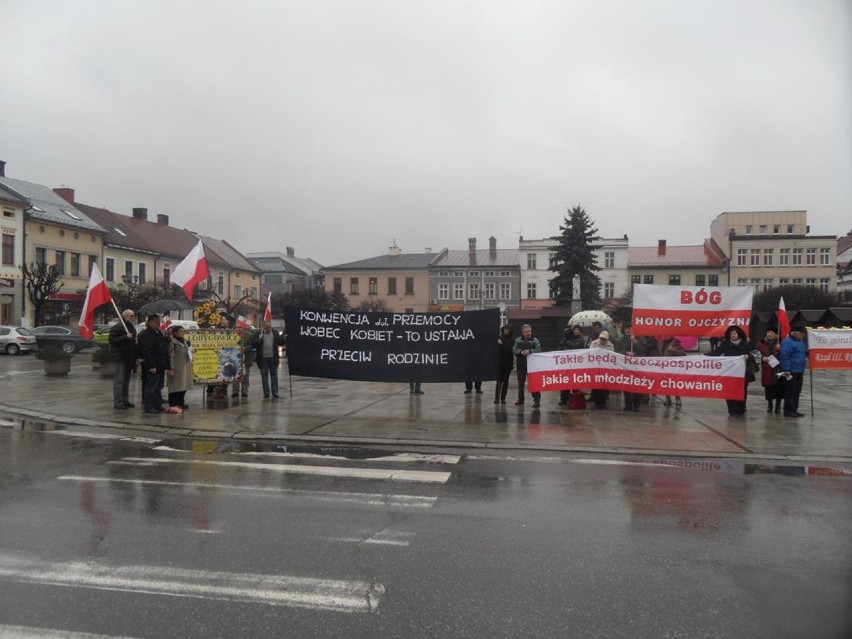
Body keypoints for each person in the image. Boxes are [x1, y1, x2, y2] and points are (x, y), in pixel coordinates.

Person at [709, 325, 755, 416]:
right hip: (730, 372)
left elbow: (756, 355)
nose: (732, 335)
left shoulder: (746, 343)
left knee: (742, 391)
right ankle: (731, 410)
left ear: (739, 334)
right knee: (729, 391)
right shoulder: (725, 344)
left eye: (734, 333)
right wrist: (704, 356)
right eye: (731, 334)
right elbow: (716, 353)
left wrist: (748, 356)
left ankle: (741, 409)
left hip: (743, 372)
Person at [137, 314, 171, 414]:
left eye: (159, 321)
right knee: (151, 386)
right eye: (156, 321)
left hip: (160, 363)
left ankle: (157, 404)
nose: (158, 323)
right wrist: (152, 365)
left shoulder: (158, 332)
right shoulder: (146, 334)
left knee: (158, 386)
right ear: (150, 322)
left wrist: (167, 339)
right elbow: (147, 351)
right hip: (153, 364)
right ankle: (149, 406)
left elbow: (161, 346)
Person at [108, 309, 138, 409]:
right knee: (119, 380)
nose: (133, 317)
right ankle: (118, 402)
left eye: (134, 316)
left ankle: (125, 400)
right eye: (132, 315)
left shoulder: (130, 327)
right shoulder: (118, 327)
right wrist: (125, 337)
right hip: (120, 357)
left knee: (126, 381)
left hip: (128, 358)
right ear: (125, 316)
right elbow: (112, 340)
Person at [252, 319, 285, 399]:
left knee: (274, 375)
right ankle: (266, 392)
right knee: (264, 376)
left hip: (273, 358)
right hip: (263, 359)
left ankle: (275, 392)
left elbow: (281, 342)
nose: (268, 328)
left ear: (271, 326)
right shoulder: (259, 333)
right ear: (263, 326)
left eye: (269, 326)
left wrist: (285, 336)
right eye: (266, 326)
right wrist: (260, 338)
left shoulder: (275, 332)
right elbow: (254, 344)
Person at [780, 326, 807, 418]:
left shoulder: (800, 342)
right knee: (790, 391)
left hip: (799, 370)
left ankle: (794, 409)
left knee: (797, 391)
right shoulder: (788, 342)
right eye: (801, 333)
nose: (802, 335)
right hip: (791, 371)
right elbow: (785, 356)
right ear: (795, 333)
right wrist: (787, 369)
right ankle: (788, 410)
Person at [513, 324, 542, 407]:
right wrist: (520, 352)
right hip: (521, 364)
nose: (528, 333)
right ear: (522, 332)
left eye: (529, 331)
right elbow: (514, 349)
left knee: (534, 383)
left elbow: (538, 349)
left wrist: (530, 351)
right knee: (520, 383)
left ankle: (537, 400)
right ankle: (520, 399)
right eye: (526, 332)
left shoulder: (535, 340)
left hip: (532, 365)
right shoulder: (518, 340)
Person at [558, 325, 586, 406]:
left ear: (580, 331)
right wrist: (566, 337)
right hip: (566, 363)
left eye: (578, 330)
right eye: (574, 330)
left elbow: (576, 346)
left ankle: (574, 398)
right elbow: (561, 347)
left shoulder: (581, 339)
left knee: (575, 382)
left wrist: (567, 341)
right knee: (565, 381)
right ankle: (564, 399)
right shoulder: (568, 338)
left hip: (576, 364)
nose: (576, 331)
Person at [757, 328, 783, 413]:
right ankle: (770, 404)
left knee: (779, 387)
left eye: (771, 332)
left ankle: (778, 405)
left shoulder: (780, 343)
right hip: (767, 369)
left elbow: (786, 355)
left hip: (778, 368)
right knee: (768, 388)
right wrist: (762, 358)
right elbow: (756, 353)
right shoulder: (761, 343)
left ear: (776, 334)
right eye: (768, 332)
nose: (769, 334)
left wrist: (780, 350)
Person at [167, 325, 193, 410]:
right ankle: (173, 403)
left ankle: (181, 402)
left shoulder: (185, 341)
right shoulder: (172, 342)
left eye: (183, 331)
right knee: (175, 386)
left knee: (183, 385)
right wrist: (171, 368)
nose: (183, 333)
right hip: (176, 367)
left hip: (185, 366)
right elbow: (170, 356)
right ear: (175, 333)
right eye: (181, 331)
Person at [587, 330, 615, 408]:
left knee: (604, 385)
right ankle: (595, 400)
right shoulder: (594, 343)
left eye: (604, 339)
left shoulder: (610, 345)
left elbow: (612, 356)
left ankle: (603, 401)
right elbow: (590, 353)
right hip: (595, 367)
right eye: (601, 338)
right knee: (596, 384)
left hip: (605, 367)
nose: (603, 340)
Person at [232, 325, 258, 398]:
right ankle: (235, 391)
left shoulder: (249, 335)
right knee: (235, 376)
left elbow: (251, 346)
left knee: (245, 376)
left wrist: (245, 348)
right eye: (237, 327)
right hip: (235, 359)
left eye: (240, 327)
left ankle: (244, 391)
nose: (239, 329)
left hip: (245, 359)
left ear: (243, 327)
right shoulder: (232, 334)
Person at [661, 337, 686, 407]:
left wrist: (673, 350)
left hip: (674, 368)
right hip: (664, 368)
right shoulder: (661, 343)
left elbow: (683, 354)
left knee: (675, 384)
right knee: (665, 384)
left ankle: (678, 399)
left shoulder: (676, 343)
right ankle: (668, 399)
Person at [494, 325, 514, 404]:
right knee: (498, 381)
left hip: (508, 363)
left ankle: (503, 398)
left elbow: (510, 350)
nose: (506, 331)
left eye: (507, 330)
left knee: (505, 381)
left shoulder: (512, 340)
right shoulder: (499, 338)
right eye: (505, 329)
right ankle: (496, 397)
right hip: (499, 363)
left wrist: (502, 344)